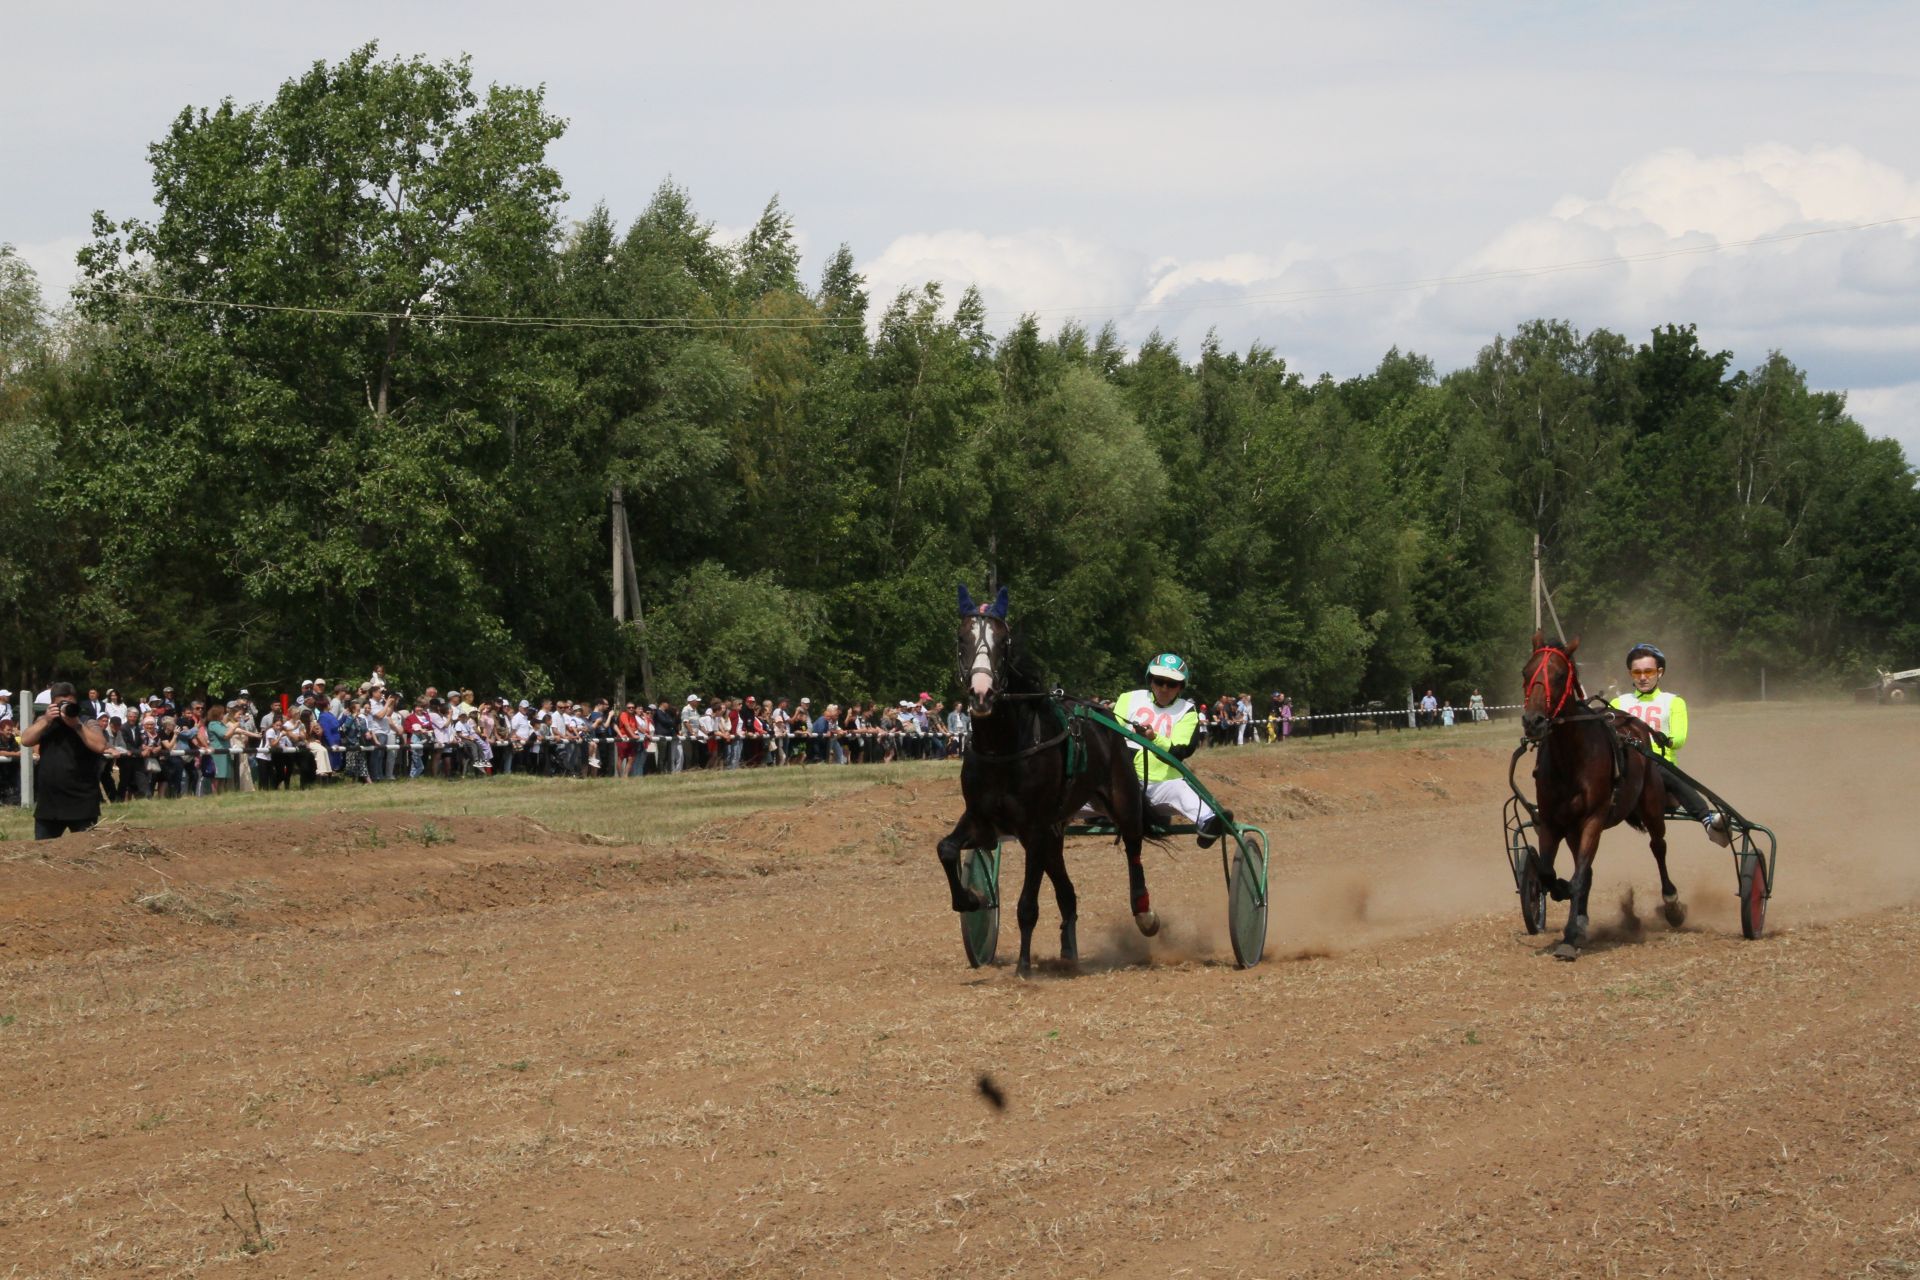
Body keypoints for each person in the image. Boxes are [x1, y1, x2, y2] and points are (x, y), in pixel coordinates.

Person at [1609, 643, 1731, 846]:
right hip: (1624, 766)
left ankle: (1707, 820)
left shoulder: (1673, 702)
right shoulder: (1618, 703)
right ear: (1630, 674)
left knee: (1660, 769)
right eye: (1636, 672)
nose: (1642, 677)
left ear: (1660, 672)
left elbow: (1679, 739)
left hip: (1658, 765)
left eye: (1648, 671)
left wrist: (1663, 739)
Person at [1112, 654, 1226, 847]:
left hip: (1160, 786)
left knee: (1180, 788)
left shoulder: (1187, 711)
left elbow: (1180, 750)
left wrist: (1154, 738)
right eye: (1159, 681)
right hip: (1120, 784)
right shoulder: (1128, 699)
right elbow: (1109, 735)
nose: (1164, 688)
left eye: (1172, 684)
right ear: (1151, 680)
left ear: (1181, 687)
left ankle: (1209, 821)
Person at [22, 682, 110, 839]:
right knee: (43, 854)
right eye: (60, 703)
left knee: (86, 853)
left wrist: (76, 725)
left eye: (69, 703)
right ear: (52, 704)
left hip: (82, 801)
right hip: (49, 803)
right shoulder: (45, 722)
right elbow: (26, 740)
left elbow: (100, 746)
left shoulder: (86, 721)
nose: (65, 707)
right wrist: (46, 720)